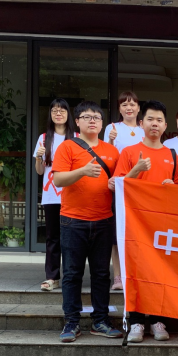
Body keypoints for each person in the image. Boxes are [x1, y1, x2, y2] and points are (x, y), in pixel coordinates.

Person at [52, 101, 122, 342]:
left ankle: (100, 321)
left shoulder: (112, 151)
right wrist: (82, 171)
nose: (92, 120)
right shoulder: (67, 147)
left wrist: (115, 185)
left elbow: (119, 181)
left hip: (103, 220)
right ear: (77, 122)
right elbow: (58, 180)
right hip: (73, 221)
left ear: (102, 123)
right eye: (87, 117)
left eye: (97, 117)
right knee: (72, 274)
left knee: (102, 274)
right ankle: (71, 322)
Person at [112, 100, 178, 343]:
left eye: (159, 120)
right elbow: (116, 185)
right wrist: (137, 170)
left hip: (162, 225)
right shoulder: (129, 152)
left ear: (165, 125)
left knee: (161, 273)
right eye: (150, 119)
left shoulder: (172, 155)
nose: (155, 124)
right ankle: (137, 322)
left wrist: (173, 187)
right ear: (141, 123)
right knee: (137, 273)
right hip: (135, 224)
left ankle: (158, 320)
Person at [33, 98, 77, 292]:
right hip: (51, 195)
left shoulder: (77, 137)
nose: (58, 114)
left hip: (73, 195)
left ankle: (71, 276)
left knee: (73, 237)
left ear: (68, 114)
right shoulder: (44, 138)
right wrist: (39, 157)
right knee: (52, 237)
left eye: (62, 110)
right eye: (54, 111)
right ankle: (52, 277)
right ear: (50, 115)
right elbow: (40, 172)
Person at [103, 91, 145, 291]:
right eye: (124, 104)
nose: (129, 108)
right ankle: (118, 276)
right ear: (119, 109)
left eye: (132, 104)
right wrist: (111, 141)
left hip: (141, 187)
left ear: (138, 108)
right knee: (116, 234)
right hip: (118, 185)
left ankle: (137, 274)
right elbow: (106, 156)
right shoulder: (112, 128)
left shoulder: (144, 129)